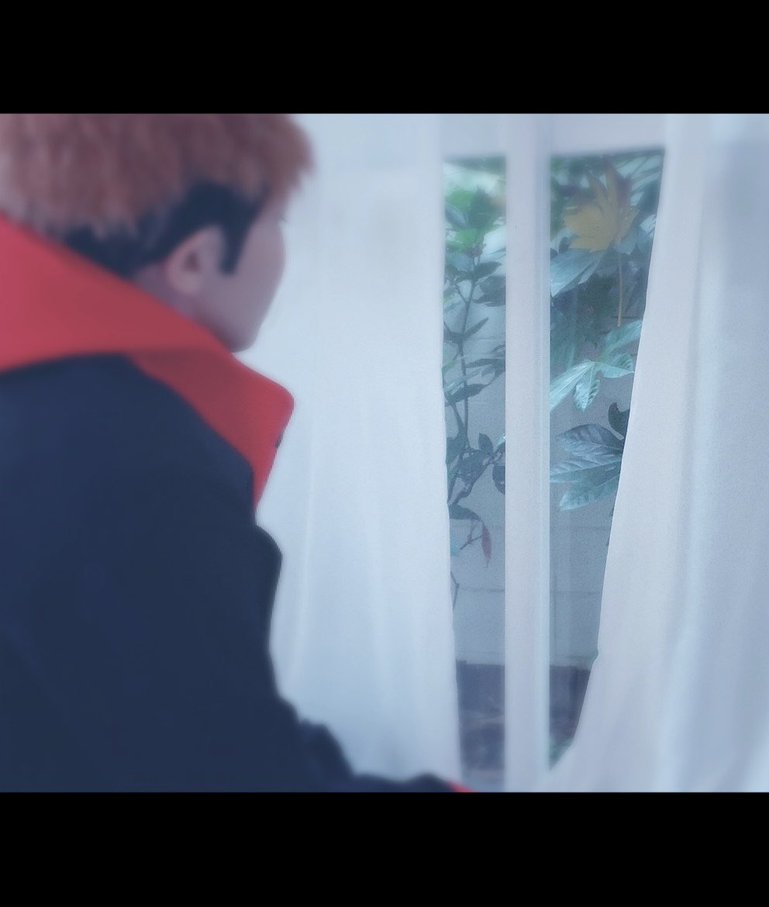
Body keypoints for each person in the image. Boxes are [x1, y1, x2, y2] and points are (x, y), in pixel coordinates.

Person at [0, 114, 461, 792]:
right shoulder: (137, 467)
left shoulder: (43, 406)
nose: (283, 249)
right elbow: (227, 770)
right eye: (277, 221)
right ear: (194, 260)